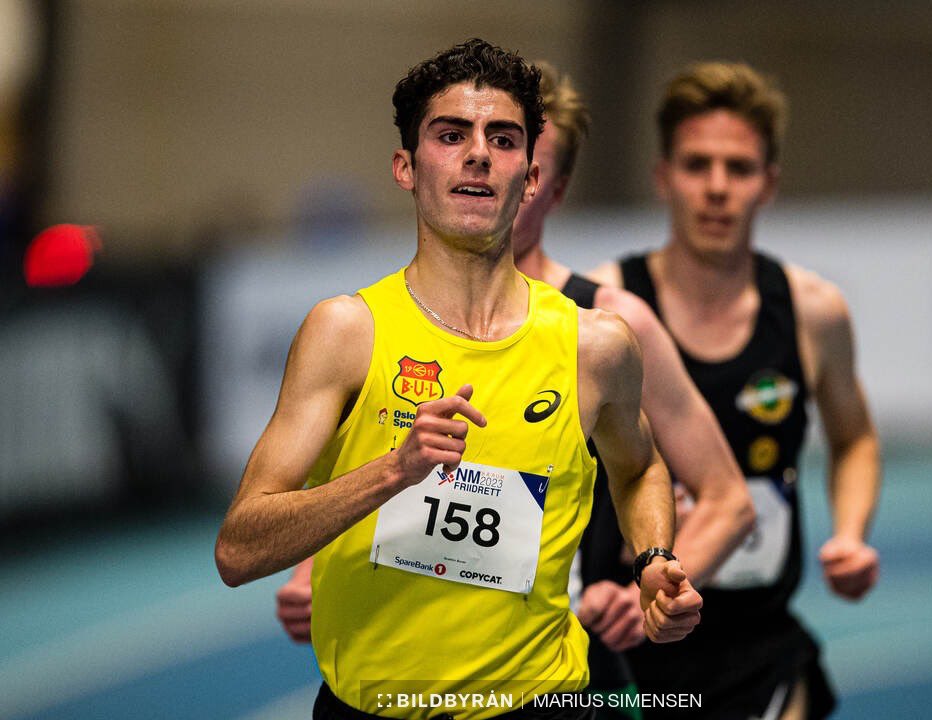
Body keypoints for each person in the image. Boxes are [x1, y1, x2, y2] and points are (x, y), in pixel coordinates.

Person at [216, 39, 703, 720]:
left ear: (531, 178)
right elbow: (239, 548)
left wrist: (652, 557)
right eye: (451, 135)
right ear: (406, 167)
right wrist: (394, 471)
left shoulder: (595, 345)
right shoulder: (346, 333)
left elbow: (641, 466)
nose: (478, 153)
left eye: (502, 139)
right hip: (371, 709)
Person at [590, 62, 882, 719]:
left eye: (740, 168)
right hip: (630, 650)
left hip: (761, 646)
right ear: (663, 176)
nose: (717, 189)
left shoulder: (812, 311)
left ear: (769, 184)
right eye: (697, 165)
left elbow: (854, 435)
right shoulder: (600, 311)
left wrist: (852, 534)